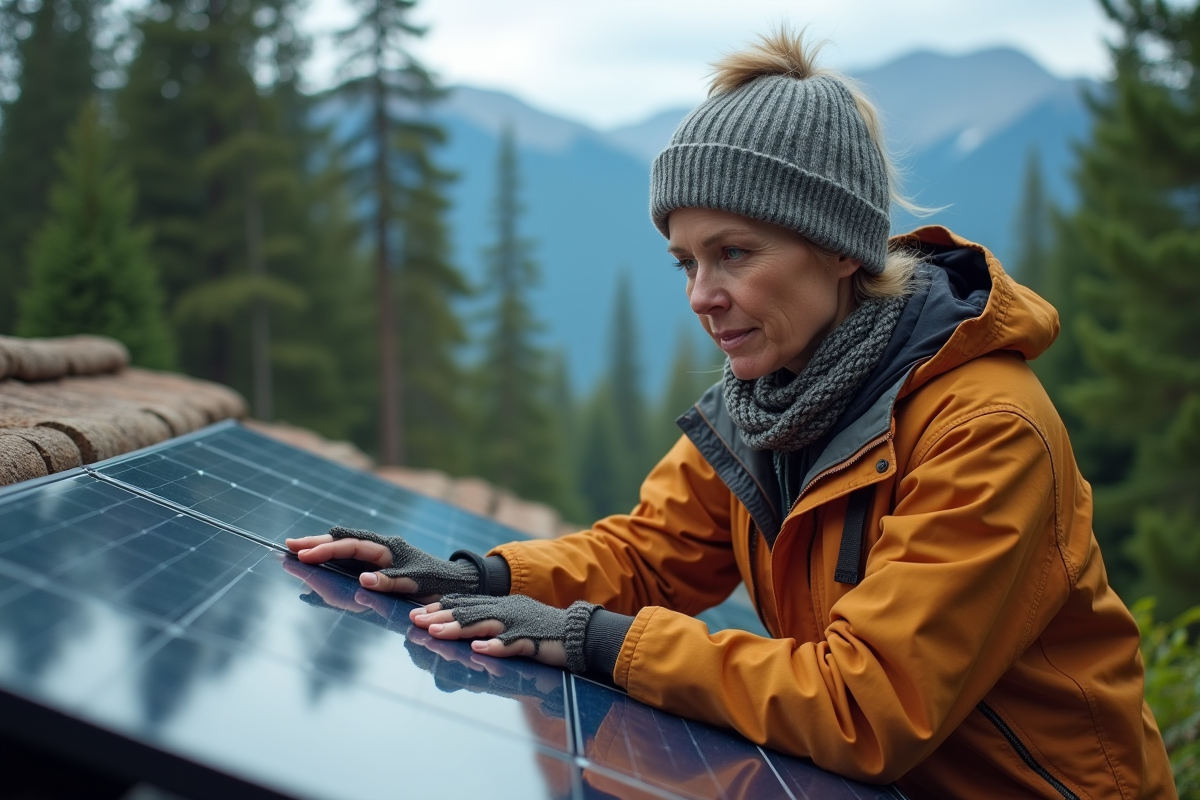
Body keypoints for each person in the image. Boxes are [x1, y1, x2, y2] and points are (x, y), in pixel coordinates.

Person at [286, 29, 1176, 799]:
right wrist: (481, 579)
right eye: (685, 263)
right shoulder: (766, 402)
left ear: (838, 249)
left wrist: (596, 642)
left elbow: (867, 705)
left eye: (734, 253)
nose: (703, 297)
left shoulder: (984, 431)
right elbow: (644, 556)